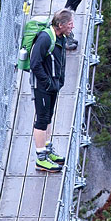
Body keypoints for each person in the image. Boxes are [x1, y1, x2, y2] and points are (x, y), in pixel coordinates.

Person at [30, 9, 74, 172]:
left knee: (48, 117)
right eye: (70, 24)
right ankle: (41, 159)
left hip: (52, 85)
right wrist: (47, 82)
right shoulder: (45, 38)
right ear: (61, 25)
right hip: (43, 86)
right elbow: (35, 63)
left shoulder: (60, 37)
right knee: (41, 120)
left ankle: (47, 150)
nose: (72, 27)